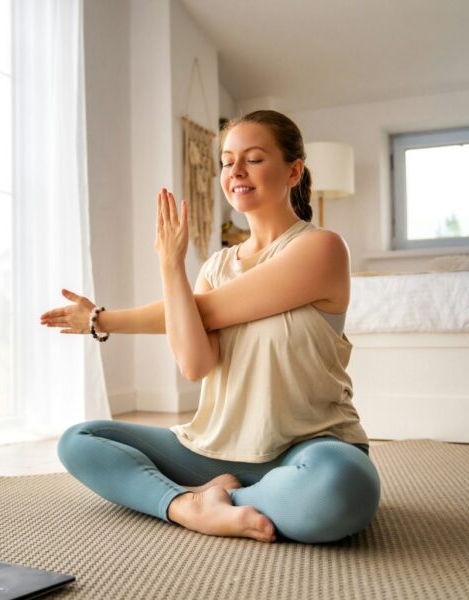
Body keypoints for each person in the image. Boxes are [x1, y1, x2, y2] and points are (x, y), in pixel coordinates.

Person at [40, 110, 381, 545]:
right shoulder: (218, 266)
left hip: (309, 448)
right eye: (226, 160)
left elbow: (208, 312)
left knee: (343, 488)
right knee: (81, 440)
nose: (236, 171)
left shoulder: (321, 248)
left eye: (254, 158)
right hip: (213, 448)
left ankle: (212, 499)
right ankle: (188, 506)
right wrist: (170, 266)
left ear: (293, 170)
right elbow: (195, 364)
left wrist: (100, 320)